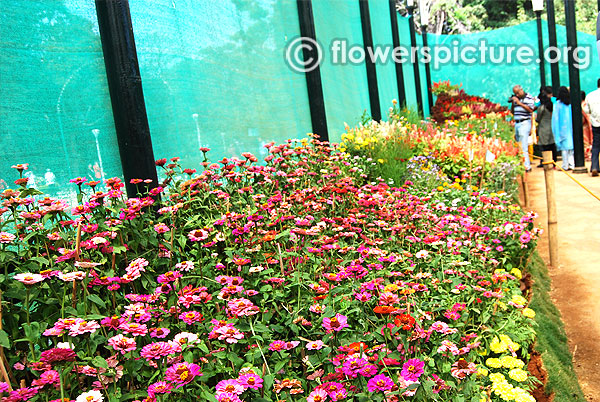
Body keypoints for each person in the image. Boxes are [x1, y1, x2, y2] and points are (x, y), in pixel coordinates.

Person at [510, 85, 536, 172]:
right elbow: (512, 112)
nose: (517, 95)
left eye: (518, 93)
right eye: (515, 94)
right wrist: (514, 103)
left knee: (524, 145)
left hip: (525, 122)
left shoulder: (529, 98)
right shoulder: (516, 99)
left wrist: (519, 103)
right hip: (517, 123)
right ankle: (521, 164)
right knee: (519, 145)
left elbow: (531, 110)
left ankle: (526, 166)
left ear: (521, 90)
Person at [552, 86, 575, 171]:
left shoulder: (557, 105)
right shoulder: (570, 104)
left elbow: (555, 119)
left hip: (561, 129)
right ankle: (572, 164)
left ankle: (565, 165)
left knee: (564, 149)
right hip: (570, 128)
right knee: (571, 148)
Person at [536, 90, 557, 168]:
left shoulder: (541, 108)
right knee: (552, 145)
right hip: (551, 127)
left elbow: (538, 119)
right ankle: (553, 160)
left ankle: (544, 161)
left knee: (544, 146)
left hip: (543, 128)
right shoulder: (551, 106)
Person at [583, 78, 600, 176]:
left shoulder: (590, 95)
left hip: (596, 123)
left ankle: (594, 166)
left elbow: (586, 110)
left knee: (596, 145)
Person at [581, 91, 593, 161]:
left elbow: (588, 118)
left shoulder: (583, 105)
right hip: (586, 127)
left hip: (585, 127)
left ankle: (587, 155)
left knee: (586, 142)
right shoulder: (584, 104)